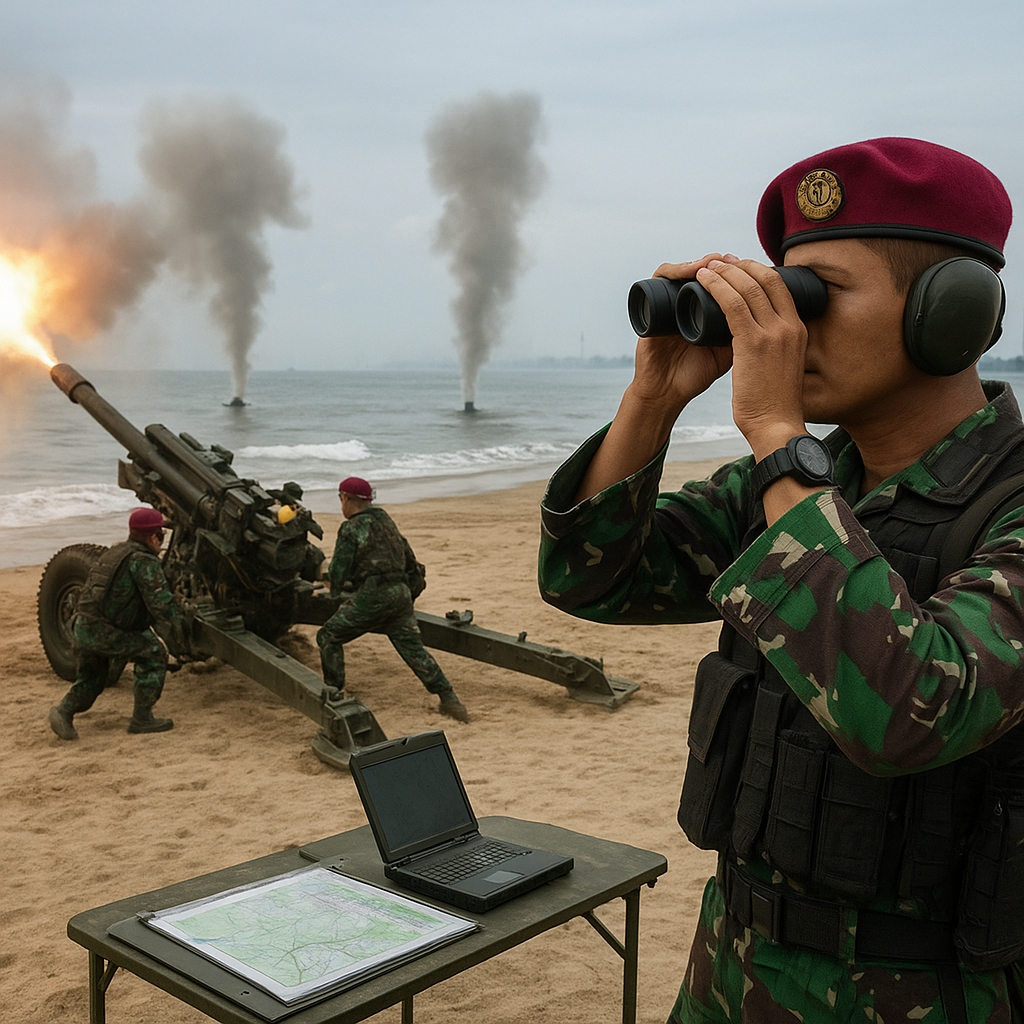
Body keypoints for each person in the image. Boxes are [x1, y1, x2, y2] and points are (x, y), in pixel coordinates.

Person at [538, 138, 1024, 1023]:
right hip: (733, 968)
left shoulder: (1004, 503)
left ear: (948, 313)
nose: (786, 327)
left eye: (819, 297)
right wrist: (652, 394)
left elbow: (911, 709)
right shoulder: (802, 484)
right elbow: (591, 579)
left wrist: (772, 428)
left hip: (926, 993)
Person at [317, 476, 469, 722]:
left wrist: (332, 586)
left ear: (345, 498)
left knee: (328, 636)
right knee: (412, 648)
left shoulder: (351, 527)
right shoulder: (385, 519)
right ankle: (450, 699)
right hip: (400, 594)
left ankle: (334, 695)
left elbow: (338, 572)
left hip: (374, 595)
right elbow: (409, 557)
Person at [49, 506, 184, 740]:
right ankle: (142, 718)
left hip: (84, 626)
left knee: (93, 678)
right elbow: (161, 605)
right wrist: (182, 633)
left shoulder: (116, 552)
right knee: (154, 653)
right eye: (161, 536)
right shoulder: (143, 561)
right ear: (153, 536)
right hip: (107, 631)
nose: (161, 542)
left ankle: (63, 711)